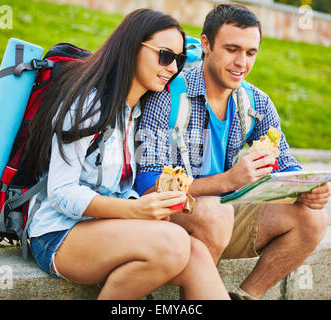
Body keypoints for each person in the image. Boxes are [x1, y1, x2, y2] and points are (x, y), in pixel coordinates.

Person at [22, 8, 230, 300]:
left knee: (195, 252)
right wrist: (134, 211)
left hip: (107, 229)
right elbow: (61, 191)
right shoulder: (90, 103)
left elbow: (121, 188)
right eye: (164, 55)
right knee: (174, 243)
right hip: (57, 233)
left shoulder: (140, 111)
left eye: (179, 60)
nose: (172, 68)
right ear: (133, 48)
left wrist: (149, 206)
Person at [136, 4, 331, 300]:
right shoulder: (168, 93)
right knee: (215, 213)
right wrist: (229, 180)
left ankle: (246, 296)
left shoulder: (256, 102)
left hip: (221, 217)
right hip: (168, 219)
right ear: (206, 45)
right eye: (232, 49)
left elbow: (285, 161)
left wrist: (307, 187)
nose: (242, 62)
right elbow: (148, 187)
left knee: (313, 218)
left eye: (251, 53)